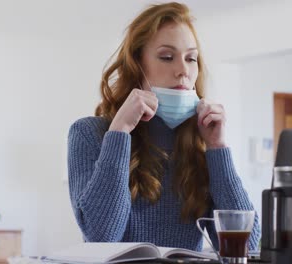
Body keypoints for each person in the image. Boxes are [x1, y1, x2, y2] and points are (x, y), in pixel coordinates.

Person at [68, 2, 261, 252]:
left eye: (191, 58)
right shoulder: (88, 133)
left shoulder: (200, 141)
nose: (183, 70)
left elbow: (247, 247)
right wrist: (119, 132)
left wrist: (217, 148)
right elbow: (101, 237)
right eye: (167, 57)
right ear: (137, 65)